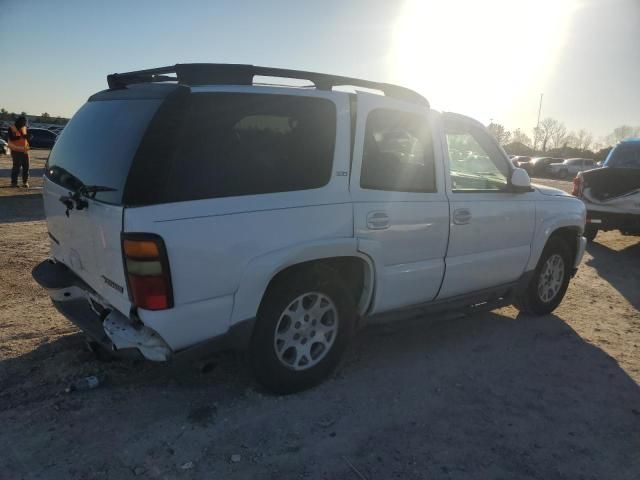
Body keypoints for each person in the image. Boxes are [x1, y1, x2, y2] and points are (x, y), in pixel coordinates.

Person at [8, 116, 30, 188]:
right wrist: (21, 135)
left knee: (26, 167)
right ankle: (14, 183)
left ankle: (25, 182)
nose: (25, 123)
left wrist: (28, 136)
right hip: (16, 151)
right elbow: (11, 138)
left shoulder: (24, 128)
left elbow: (26, 138)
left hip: (25, 151)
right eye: (24, 122)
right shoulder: (12, 128)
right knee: (16, 168)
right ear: (20, 121)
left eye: (25, 122)